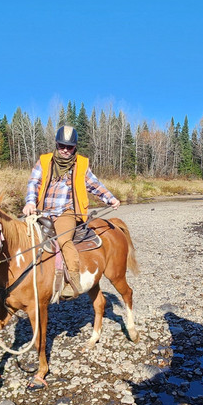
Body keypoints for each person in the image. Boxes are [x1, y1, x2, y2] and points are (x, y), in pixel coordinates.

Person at [23, 124, 120, 297]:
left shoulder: (81, 164)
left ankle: (73, 281)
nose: (65, 150)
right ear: (56, 144)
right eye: (62, 146)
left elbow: (94, 185)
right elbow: (33, 182)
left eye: (69, 147)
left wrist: (110, 198)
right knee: (22, 237)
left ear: (75, 147)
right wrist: (30, 203)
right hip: (42, 211)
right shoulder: (45, 161)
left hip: (66, 212)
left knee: (64, 240)